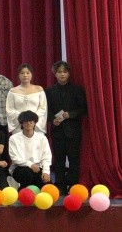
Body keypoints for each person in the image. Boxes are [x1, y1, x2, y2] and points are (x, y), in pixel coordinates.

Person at [45, 60, 87, 193]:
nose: (62, 74)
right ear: (55, 74)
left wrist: (70, 114)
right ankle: (60, 185)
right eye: (59, 72)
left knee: (74, 159)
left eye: (65, 72)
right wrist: (53, 120)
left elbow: (83, 109)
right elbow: (46, 110)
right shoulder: (49, 91)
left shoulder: (77, 90)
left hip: (73, 130)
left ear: (69, 73)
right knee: (59, 160)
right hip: (57, 130)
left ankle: (73, 184)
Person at [8, 110, 52, 188]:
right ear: (21, 123)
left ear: (35, 122)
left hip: (38, 168)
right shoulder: (14, 138)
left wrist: (46, 172)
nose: (28, 123)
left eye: (31, 121)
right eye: (25, 121)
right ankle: (22, 192)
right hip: (19, 168)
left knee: (47, 185)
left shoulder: (42, 138)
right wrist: (30, 164)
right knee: (27, 174)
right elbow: (14, 158)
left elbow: (46, 156)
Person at [6, 64, 47, 135]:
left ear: (31, 74)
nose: (25, 75)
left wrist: (32, 118)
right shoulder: (12, 91)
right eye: (22, 73)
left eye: (28, 73)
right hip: (19, 124)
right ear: (18, 75)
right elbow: (9, 109)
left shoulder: (39, 89)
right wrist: (23, 117)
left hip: (36, 124)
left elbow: (43, 108)